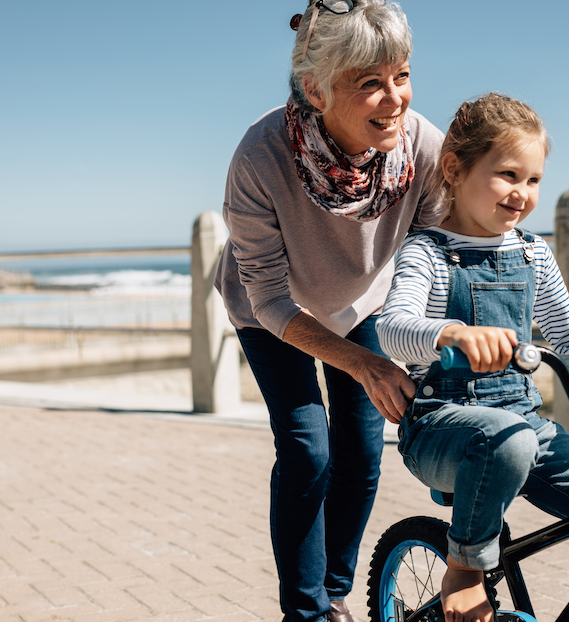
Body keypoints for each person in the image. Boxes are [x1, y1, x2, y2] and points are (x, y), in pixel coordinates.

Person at [376, 93, 569, 622]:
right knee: (507, 442)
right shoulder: (426, 251)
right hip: (441, 425)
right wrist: (451, 334)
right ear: (454, 168)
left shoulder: (531, 252)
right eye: (507, 175)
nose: (522, 194)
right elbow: (393, 330)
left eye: (534, 180)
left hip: (524, 426)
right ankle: (465, 567)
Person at [213, 1, 446, 620]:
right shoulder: (260, 157)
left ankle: (335, 594)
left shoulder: (422, 147)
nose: (394, 98)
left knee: (363, 451)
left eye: (401, 75)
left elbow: (435, 256)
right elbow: (266, 295)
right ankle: (306, 612)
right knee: (308, 448)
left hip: (361, 300)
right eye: (369, 83)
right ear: (316, 90)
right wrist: (365, 365)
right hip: (272, 308)